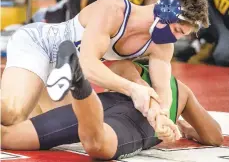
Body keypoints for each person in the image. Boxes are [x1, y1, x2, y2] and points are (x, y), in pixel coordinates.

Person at [1, 0, 209, 128]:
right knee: (12, 115)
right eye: (177, 29)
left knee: (45, 127)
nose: (176, 37)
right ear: (165, 12)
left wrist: (161, 117)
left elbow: (162, 91)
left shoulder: (162, 46)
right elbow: (88, 65)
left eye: (182, 34)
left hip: (62, 71)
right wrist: (133, 89)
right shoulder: (114, 10)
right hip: (39, 46)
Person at [1, 41, 223, 160]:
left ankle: (80, 84)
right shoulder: (181, 91)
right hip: (131, 123)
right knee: (97, 145)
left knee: (8, 137)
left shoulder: (124, 66)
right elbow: (213, 136)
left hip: (102, 105)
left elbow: (137, 83)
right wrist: (189, 127)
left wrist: (185, 127)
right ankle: (79, 84)